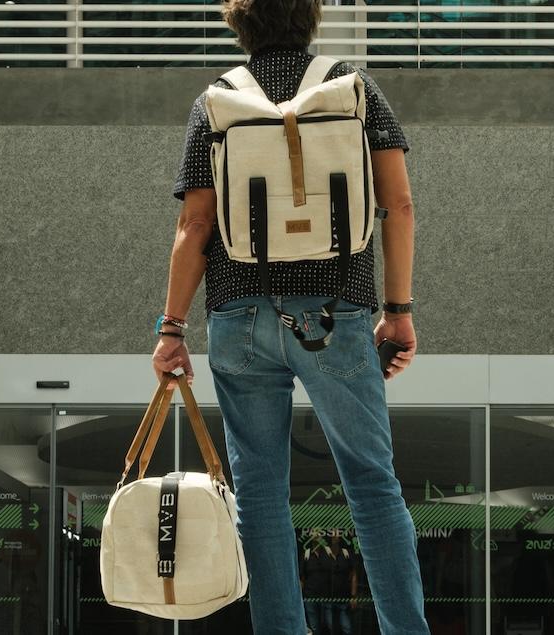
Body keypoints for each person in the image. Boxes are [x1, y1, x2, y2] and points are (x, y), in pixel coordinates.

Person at [150, 0, 428, 631]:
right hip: (338, 307)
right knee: (371, 483)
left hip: (239, 313)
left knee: (260, 492)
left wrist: (172, 328)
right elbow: (401, 207)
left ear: (240, 27)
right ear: (311, 21)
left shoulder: (217, 100)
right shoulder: (353, 88)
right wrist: (400, 312)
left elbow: (194, 224)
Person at [300, 531, 359, 634]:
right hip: (311, 597)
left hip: (327, 597)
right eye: (314, 532)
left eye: (318, 533)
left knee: (332, 626)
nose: (316, 535)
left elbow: (350, 573)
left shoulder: (328, 553)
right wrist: (300, 597)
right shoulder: (307, 554)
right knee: (315, 627)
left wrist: (353, 595)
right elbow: (302, 578)